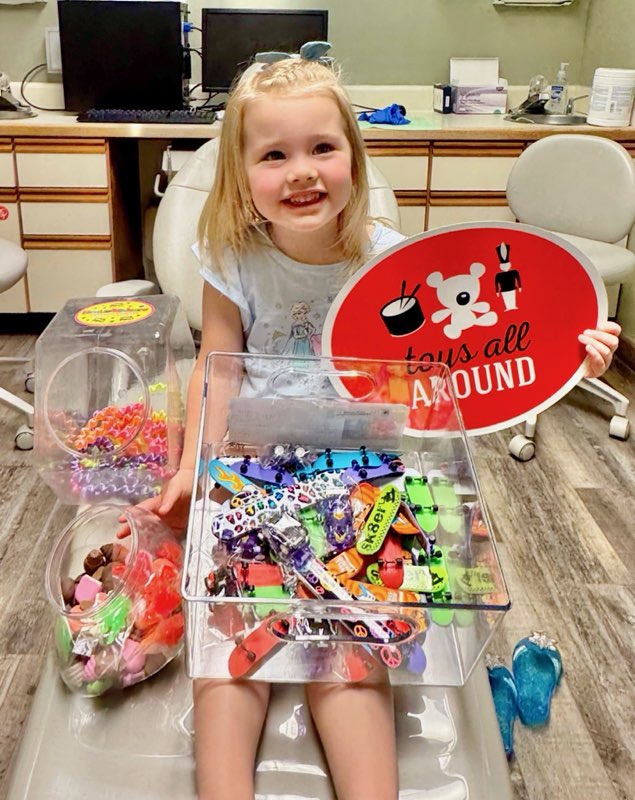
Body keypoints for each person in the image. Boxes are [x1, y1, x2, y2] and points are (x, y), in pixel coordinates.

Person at [136, 57, 621, 800]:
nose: (301, 172)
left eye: (321, 148)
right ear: (240, 173)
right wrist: (193, 470)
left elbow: (465, 371)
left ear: (354, 159)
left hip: (363, 466)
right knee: (231, 638)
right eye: (274, 155)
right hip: (252, 460)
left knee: (350, 645)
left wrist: (569, 352)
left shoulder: (394, 261)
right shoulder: (231, 256)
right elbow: (218, 366)